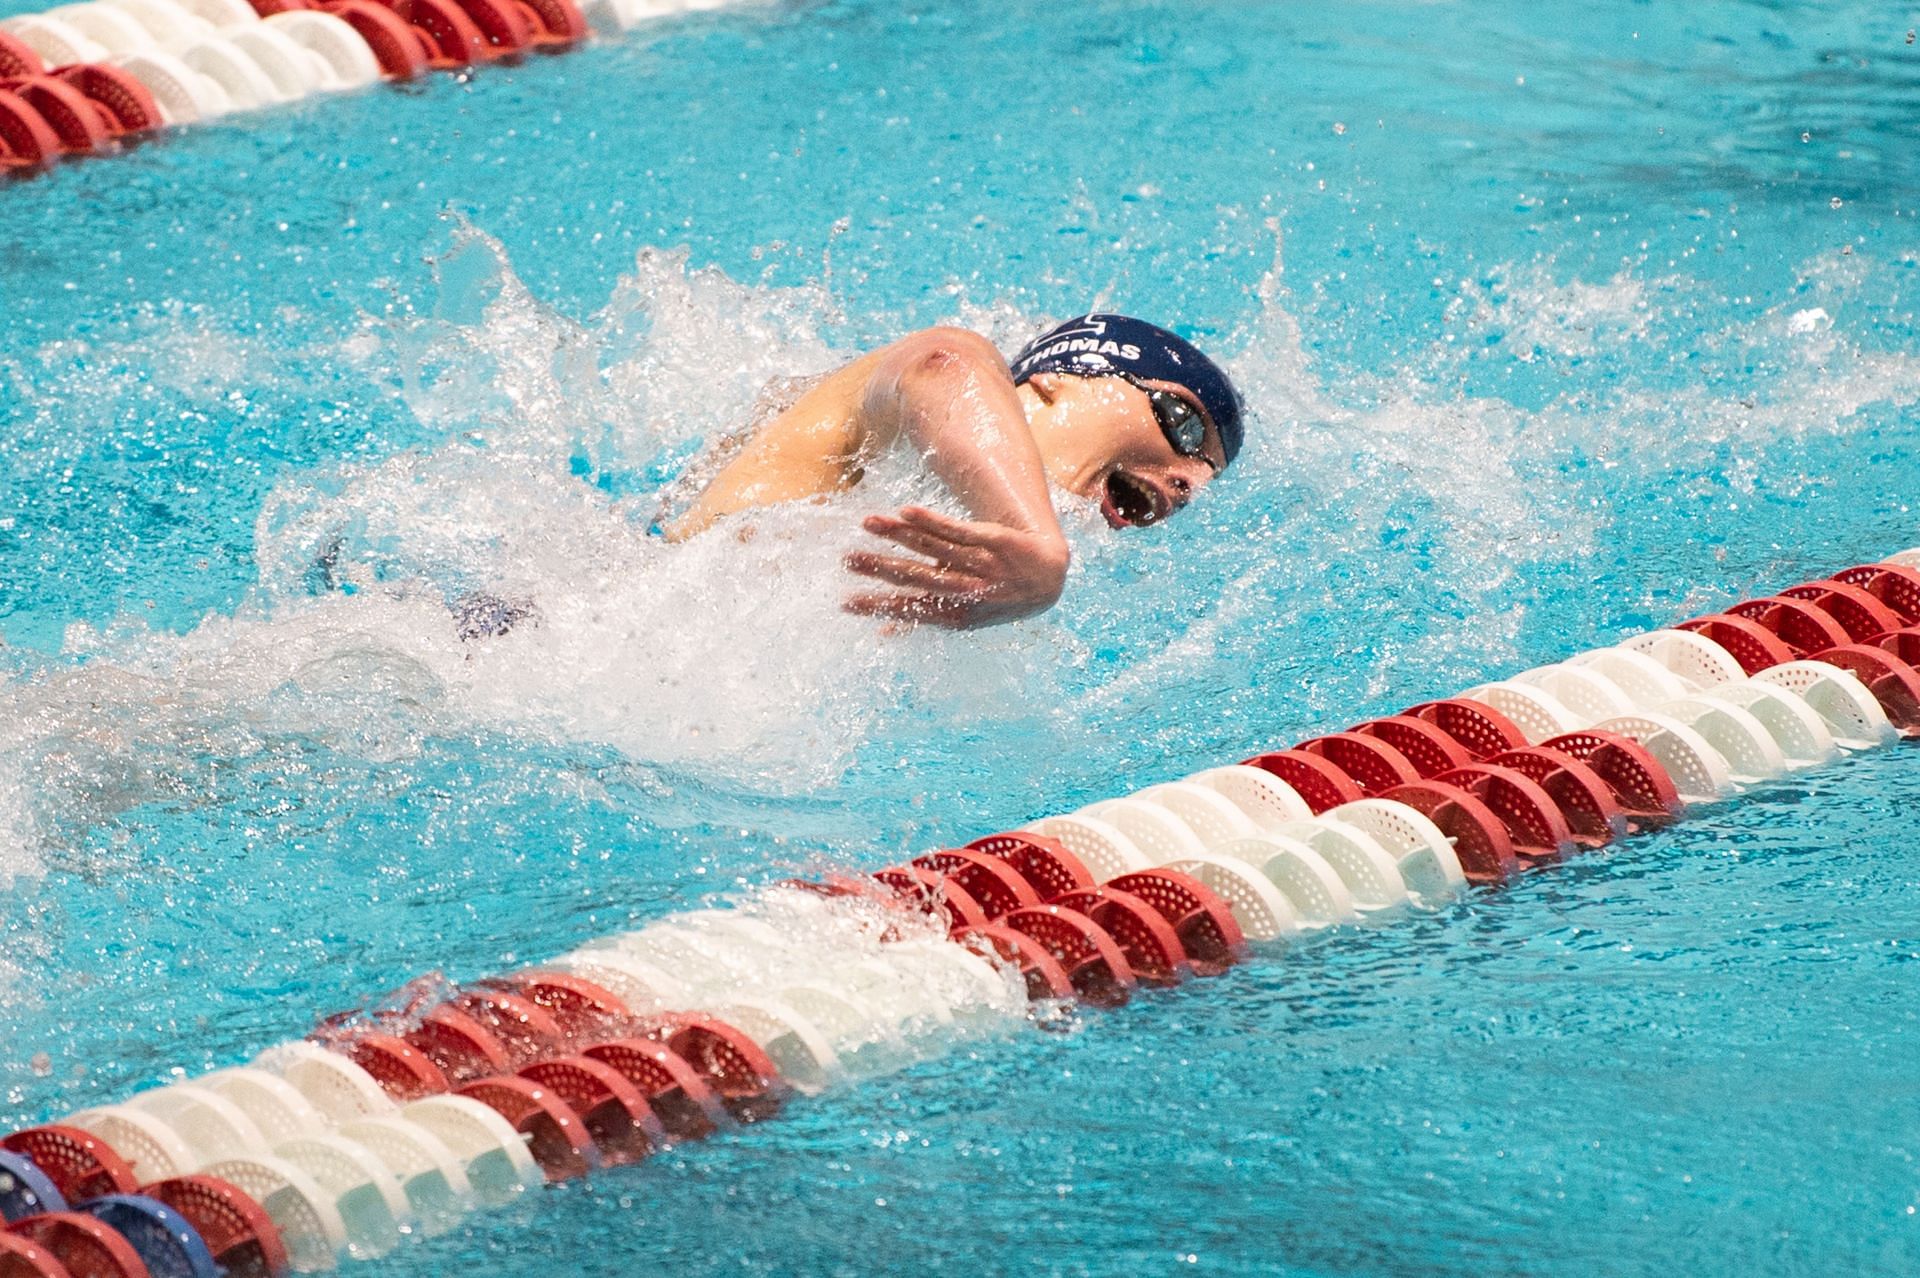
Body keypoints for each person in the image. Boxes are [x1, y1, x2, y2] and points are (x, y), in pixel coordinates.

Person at [665, 313, 1246, 630]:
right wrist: (1037, 543)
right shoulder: (946, 368)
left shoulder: (971, 572)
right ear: (1055, 382)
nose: (1189, 481)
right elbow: (942, 366)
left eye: (1203, 479)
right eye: (1184, 425)